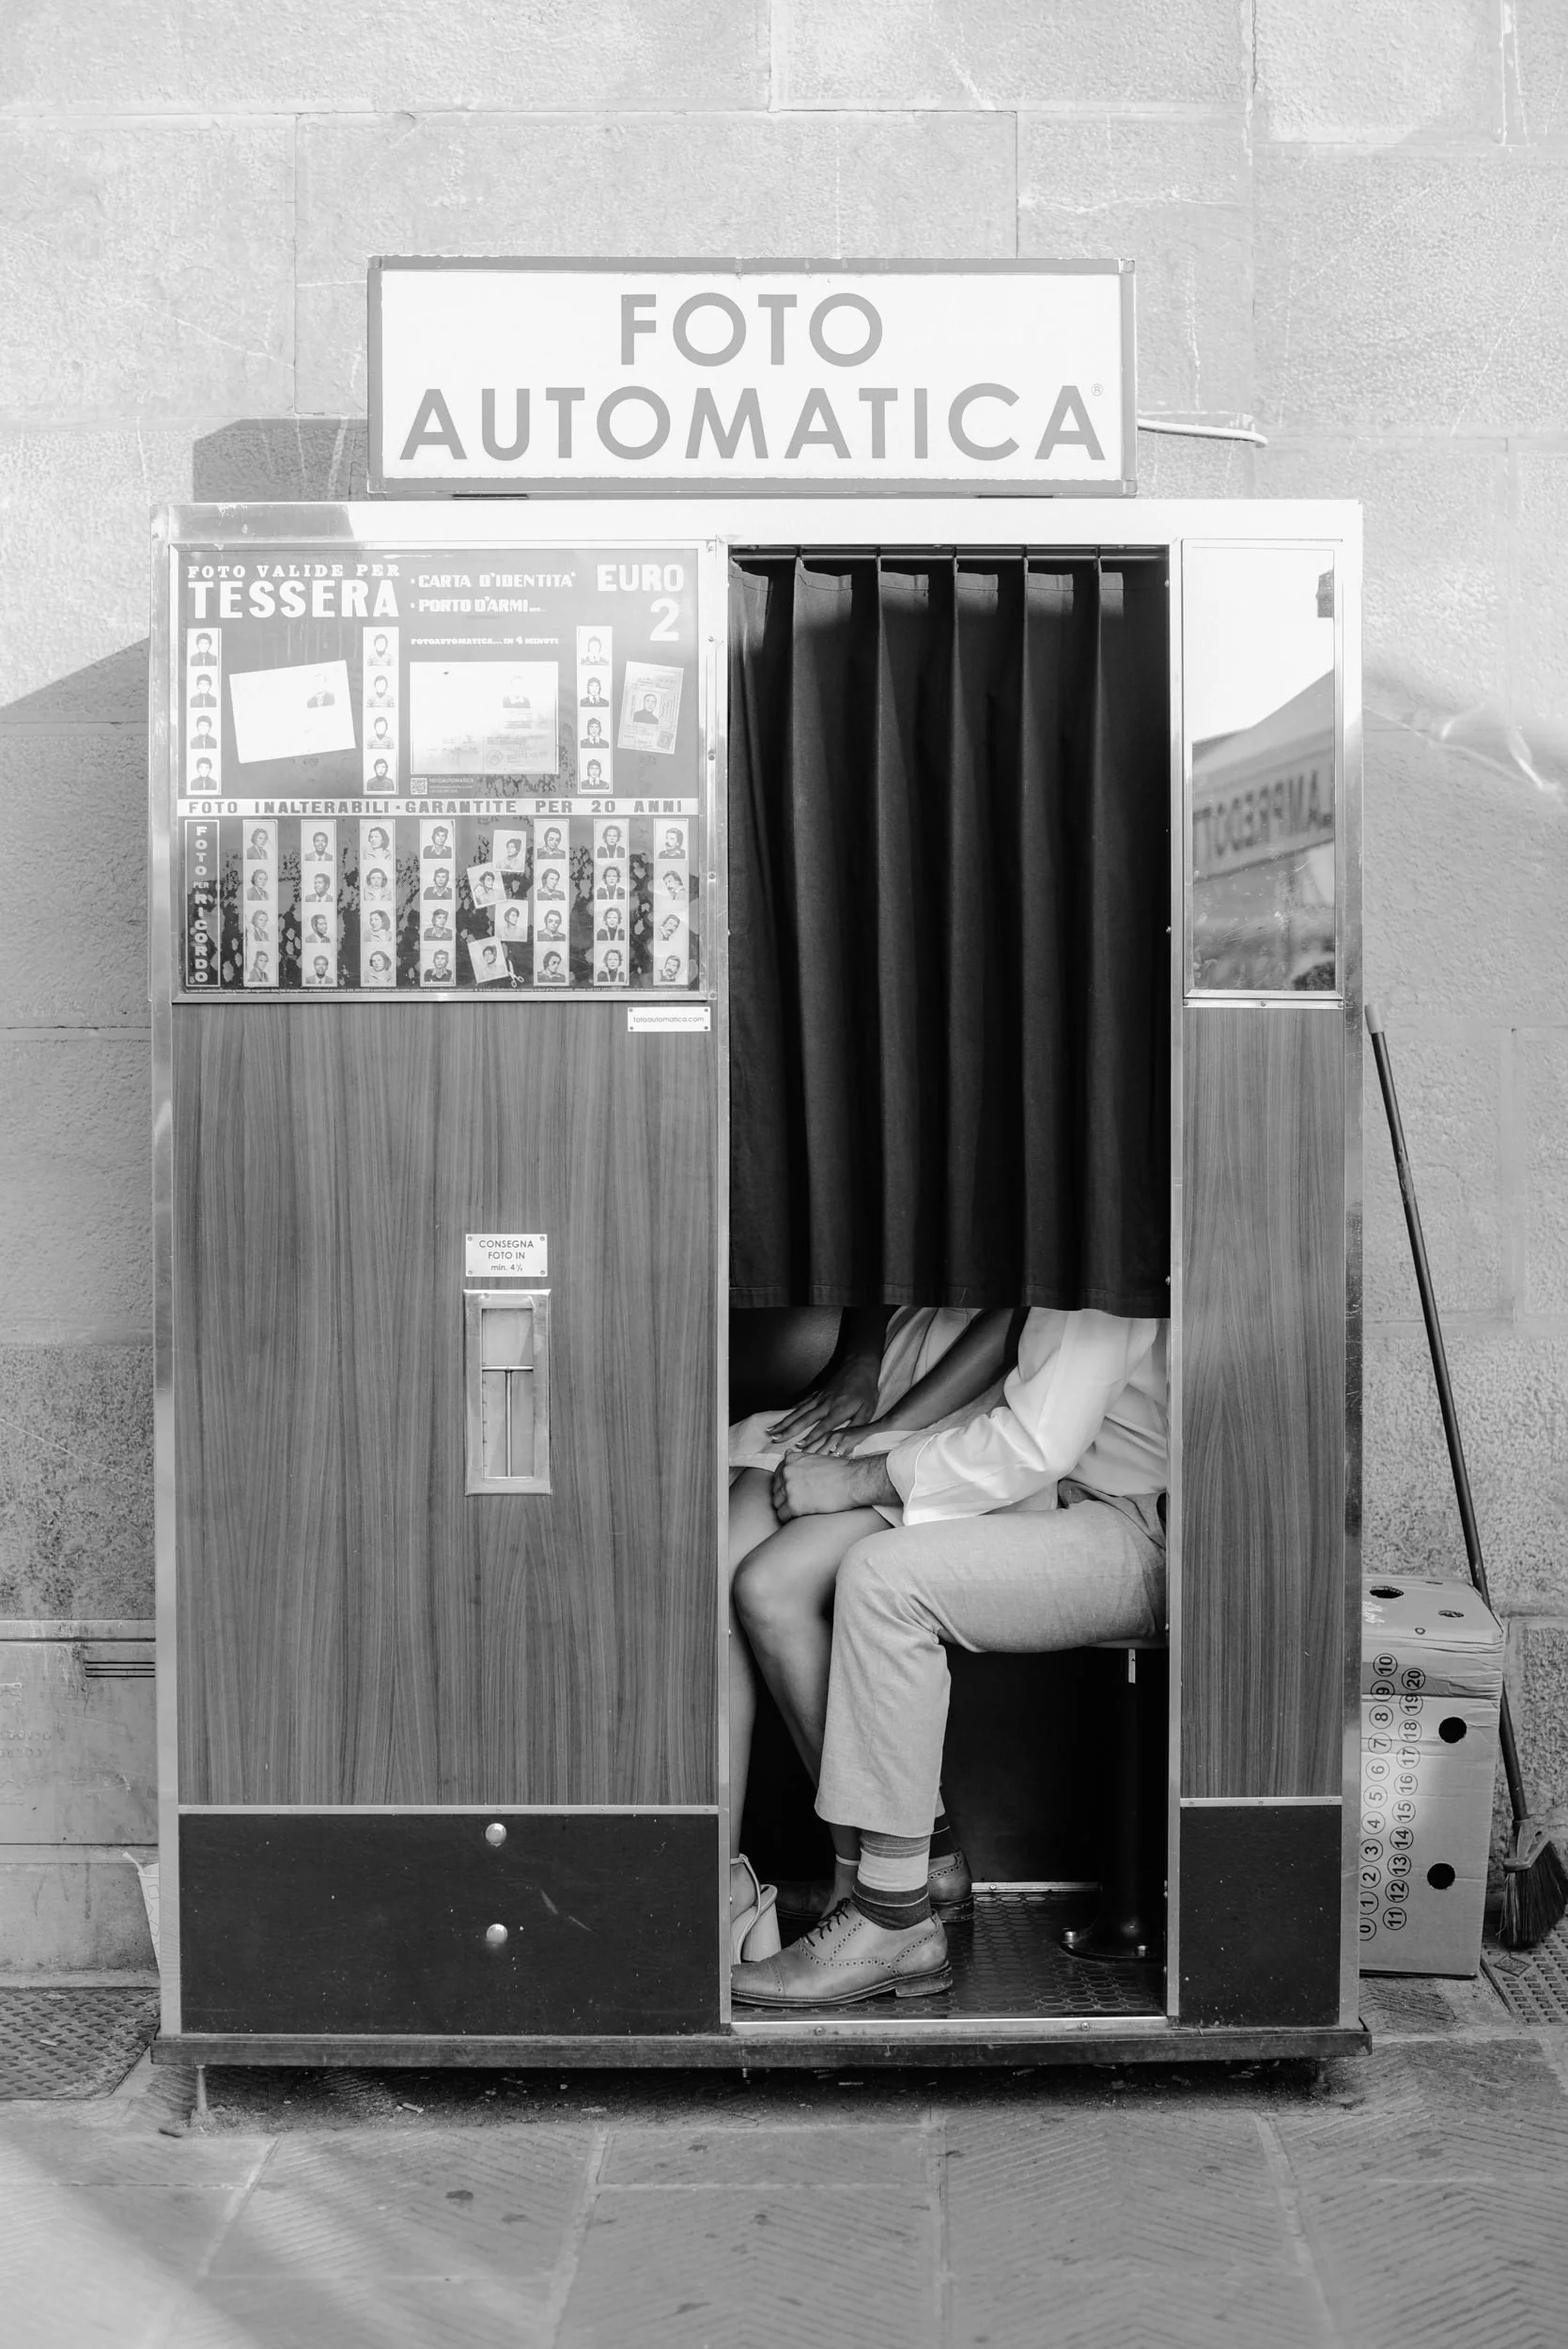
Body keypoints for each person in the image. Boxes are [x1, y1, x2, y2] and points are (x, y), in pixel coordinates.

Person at [730, 1311, 1169, 2007]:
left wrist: (853, 1479)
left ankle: (890, 1918)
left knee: (883, 1578)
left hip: (1148, 1527)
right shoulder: (1075, 1257)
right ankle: (906, 1881)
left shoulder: (1103, 1272)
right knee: (850, 1572)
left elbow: (1034, 1443)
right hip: (1087, 1503)